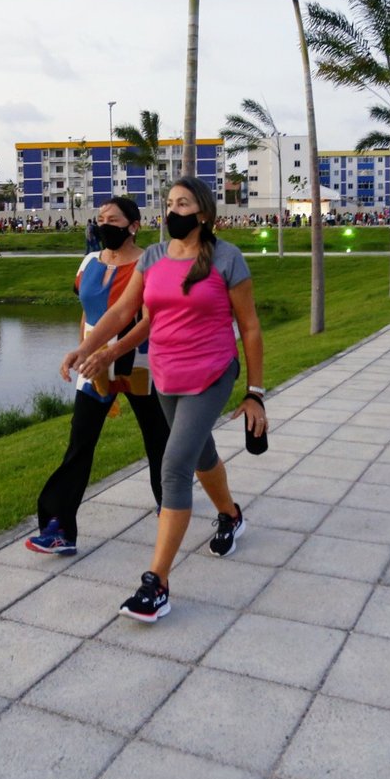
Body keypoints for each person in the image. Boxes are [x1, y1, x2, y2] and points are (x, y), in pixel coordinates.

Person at [64, 176, 265, 623]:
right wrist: (93, 348)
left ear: (204, 214)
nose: (172, 211)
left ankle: (156, 584)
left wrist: (255, 393)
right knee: (198, 453)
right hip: (167, 375)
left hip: (213, 373)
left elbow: (249, 327)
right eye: (169, 203)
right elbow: (127, 314)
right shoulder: (154, 258)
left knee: (173, 465)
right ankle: (230, 515)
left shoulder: (228, 259)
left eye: (182, 204)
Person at [29, 198, 169, 556]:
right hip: (95, 365)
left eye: (114, 219)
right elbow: (86, 315)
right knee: (80, 444)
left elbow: (149, 320)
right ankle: (60, 528)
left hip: (140, 362)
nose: (104, 225)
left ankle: (170, 502)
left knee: (158, 438)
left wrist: (109, 351)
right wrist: (82, 351)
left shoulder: (150, 263)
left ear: (133, 225)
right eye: (101, 219)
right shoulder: (90, 262)